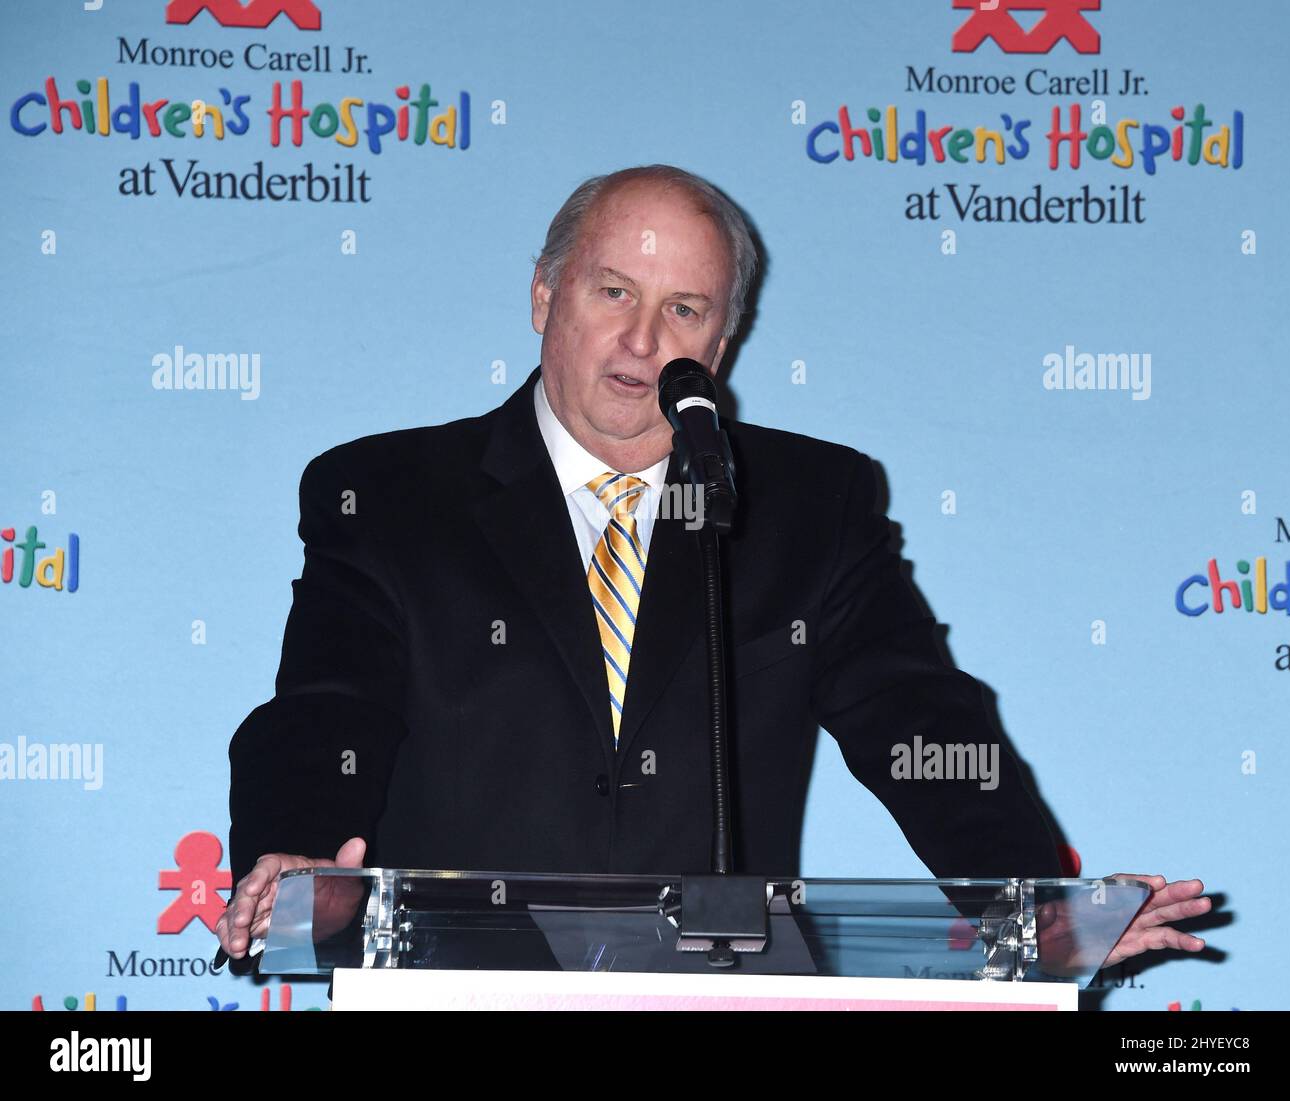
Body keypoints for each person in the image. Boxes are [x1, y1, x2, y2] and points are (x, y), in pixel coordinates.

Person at [216, 164, 1210, 971]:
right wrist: (304, 853)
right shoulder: (391, 493)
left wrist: (1023, 899)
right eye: (613, 293)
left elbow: (919, 721)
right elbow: (326, 707)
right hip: (454, 981)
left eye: (684, 310)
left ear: (722, 343)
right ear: (543, 294)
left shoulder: (809, 506)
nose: (643, 342)